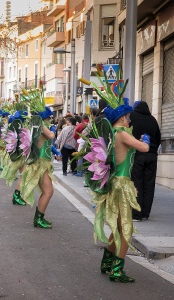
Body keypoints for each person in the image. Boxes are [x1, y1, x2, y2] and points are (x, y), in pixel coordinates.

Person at [81, 67, 150, 283]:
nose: (130, 119)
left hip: (116, 183)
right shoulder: (122, 134)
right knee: (126, 229)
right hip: (121, 184)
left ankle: (107, 262)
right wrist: (146, 140)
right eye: (128, 116)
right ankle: (117, 270)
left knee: (118, 227)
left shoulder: (113, 133)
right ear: (121, 118)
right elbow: (144, 148)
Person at [19, 87, 61, 228]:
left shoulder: (39, 125)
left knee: (47, 191)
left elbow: (47, 143)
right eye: (49, 117)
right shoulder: (41, 125)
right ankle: (38, 218)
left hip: (43, 162)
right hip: (40, 163)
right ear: (44, 117)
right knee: (48, 192)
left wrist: (56, 152)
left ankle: (39, 217)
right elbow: (50, 136)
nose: (50, 120)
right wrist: (54, 129)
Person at [130, 101, 161, 221]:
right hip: (152, 155)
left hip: (138, 154)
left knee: (137, 182)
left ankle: (136, 213)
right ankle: (145, 213)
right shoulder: (153, 119)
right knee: (149, 183)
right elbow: (158, 137)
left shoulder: (132, 116)